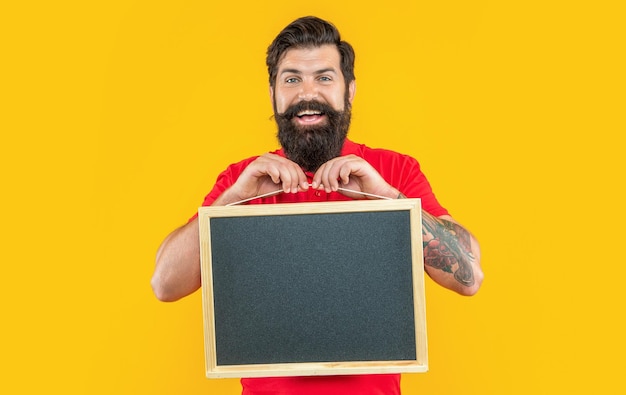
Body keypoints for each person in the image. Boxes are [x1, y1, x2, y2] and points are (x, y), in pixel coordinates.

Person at [151, 15, 483, 395]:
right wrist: (233, 200)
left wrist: (390, 199)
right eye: (292, 79)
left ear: (350, 90)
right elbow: (165, 283)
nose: (307, 93)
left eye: (324, 78)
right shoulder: (243, 179)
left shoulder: (395, 172)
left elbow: (469, 276)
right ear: (273, 92)